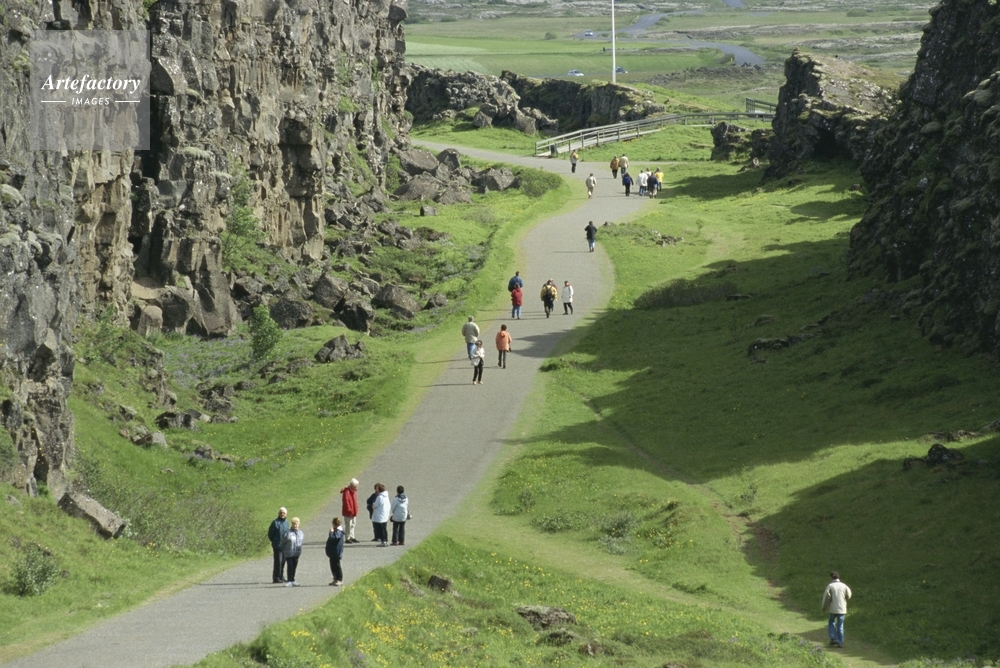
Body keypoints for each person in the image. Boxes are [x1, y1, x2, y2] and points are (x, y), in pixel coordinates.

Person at [821, 571, 852, 648]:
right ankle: (840, 642)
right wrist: (844, 599)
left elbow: (826, 597)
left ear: (831, 578)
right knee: (840, 625)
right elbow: (849, 595)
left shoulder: (830, 586)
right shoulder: (844, 585)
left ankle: (833, 638)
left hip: (833, 608)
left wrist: (824, 607)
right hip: (842, 608)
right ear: (839, 577)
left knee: (831, 622)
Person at [268, 507, 290, 583]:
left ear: (286, 514)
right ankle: (276, 577)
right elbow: (270, 534)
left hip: (285, 546)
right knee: (278, 562)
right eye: (281, 512)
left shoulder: (286, 522)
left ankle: (281, 576)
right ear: (278, 513)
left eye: (284, 513)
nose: (282, 514)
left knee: (283, 562)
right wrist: (275, 541)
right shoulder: (275, 522)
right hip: (277, 546)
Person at [281, 517, 304, 587]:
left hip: (296, 553)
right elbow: (282, 542)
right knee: (290, 566)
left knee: (294, 566)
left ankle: (293, 580)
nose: (295, 525)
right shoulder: (287, 533)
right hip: (289, 553)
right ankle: (289, 580)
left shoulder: (301, 533)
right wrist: (284, 550)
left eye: (296, 524)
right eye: (294, 524)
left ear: (298, 524)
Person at [325, 517, 345, 586]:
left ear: (334, 524)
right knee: (333, 565)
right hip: (333, 551)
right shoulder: (337, 530)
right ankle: (335, 578)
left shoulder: (338, 531)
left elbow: (334, 538)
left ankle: (339, 579)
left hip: (336, 552)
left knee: (337, 565)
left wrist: (331, 532)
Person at [340, 479, 359, 544]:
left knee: (353, 524)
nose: (357, 487)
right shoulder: (347, 492)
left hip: (353, 511)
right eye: (356, 485)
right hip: (349, 512)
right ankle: (347, 538)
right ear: (353, 485)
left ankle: (352, 536)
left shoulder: (353, 491)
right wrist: (349, 510)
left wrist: (356, 509)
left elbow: (355, 501)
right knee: (348, 524)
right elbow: (346, 502)